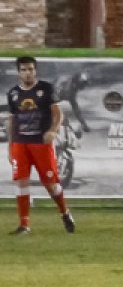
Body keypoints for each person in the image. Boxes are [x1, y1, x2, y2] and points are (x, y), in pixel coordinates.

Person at [5, 56, 75, 235]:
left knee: (51, 184)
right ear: (18, 72)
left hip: (40, 143)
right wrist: (10, 146)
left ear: (35, 71)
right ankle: (24, 225)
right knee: (21, 182)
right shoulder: (13, 94)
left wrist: (52, 130)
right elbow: (12, 120)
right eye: (24, 70)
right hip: (21, 144)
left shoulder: (45, 89)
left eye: (31, 69)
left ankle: (64, 213)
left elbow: (57, 113)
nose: (28, 73)